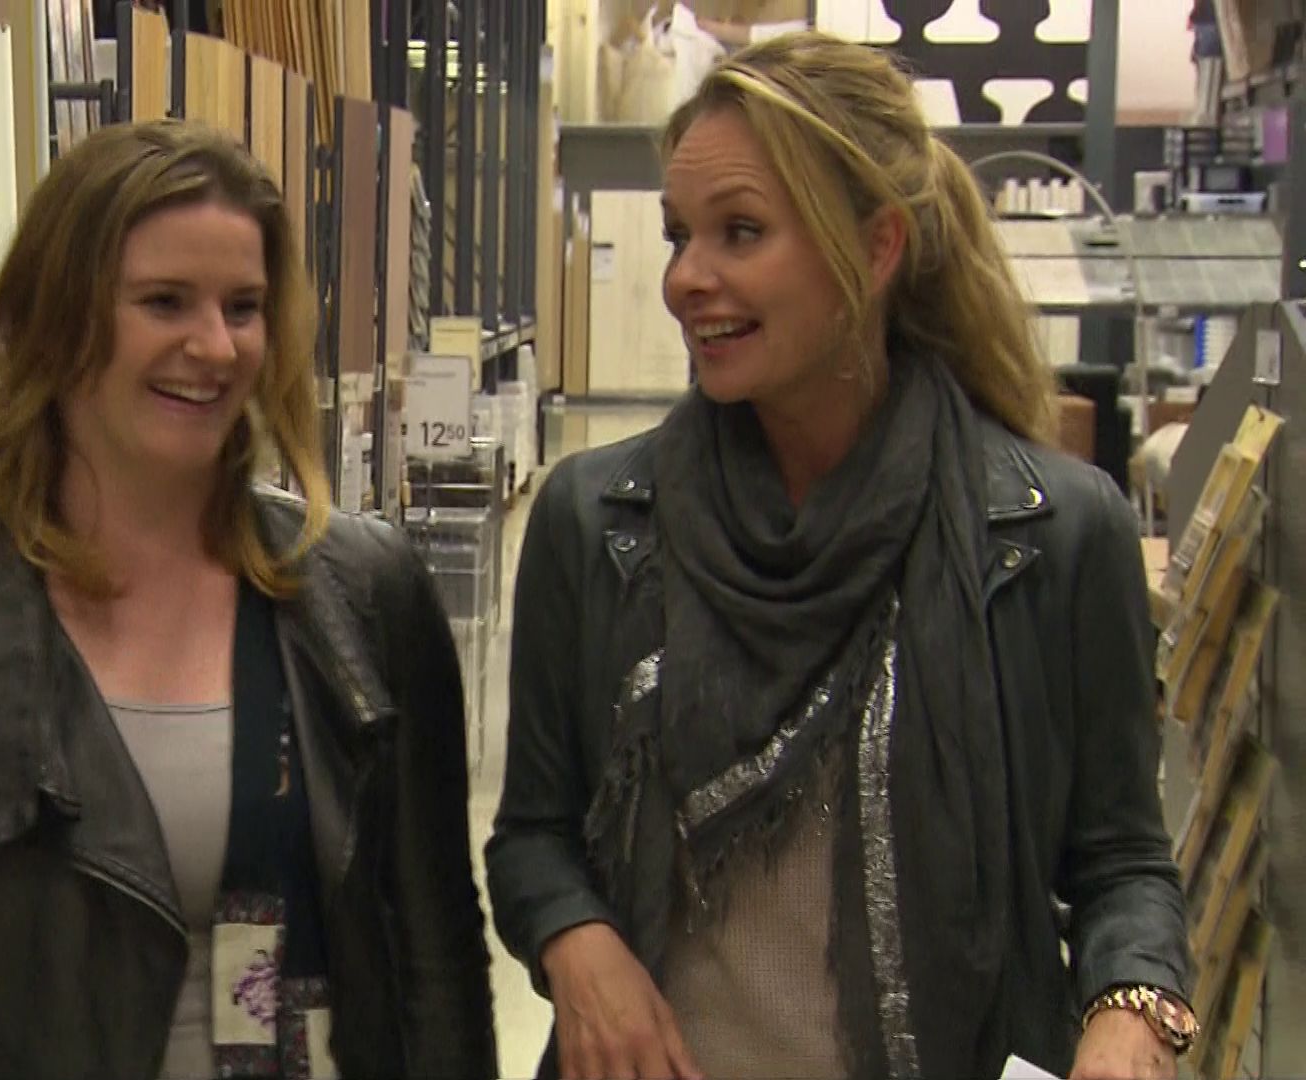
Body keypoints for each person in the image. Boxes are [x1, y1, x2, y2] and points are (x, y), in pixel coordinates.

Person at [486, 32, 1194, 1080]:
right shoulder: (599, 525)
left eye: (740, 231)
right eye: (679, 234)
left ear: (876, 248)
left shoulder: (1052, 535)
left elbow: (1123, 861)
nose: (686, 278)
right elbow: (533, 836)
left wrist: (1130, 1016)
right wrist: (578, 942)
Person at [0, 119, 497, 1080]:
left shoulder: (363, 594)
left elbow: (437, 970)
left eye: (243, 307)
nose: (214, 346)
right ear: (58, 317)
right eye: (164, 301)